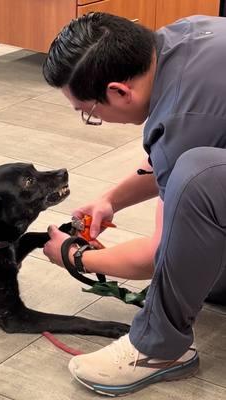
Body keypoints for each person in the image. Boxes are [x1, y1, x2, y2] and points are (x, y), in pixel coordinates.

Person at [42, 12, 226, 397]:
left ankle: (158, 349)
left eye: (88, 113)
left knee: (197, 176)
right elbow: (170, 149)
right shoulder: (182, 38)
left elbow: (158, 255)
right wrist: (111, 199)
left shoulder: (186, 115)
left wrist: (75, 257)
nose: (93, 119)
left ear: (119, 92)